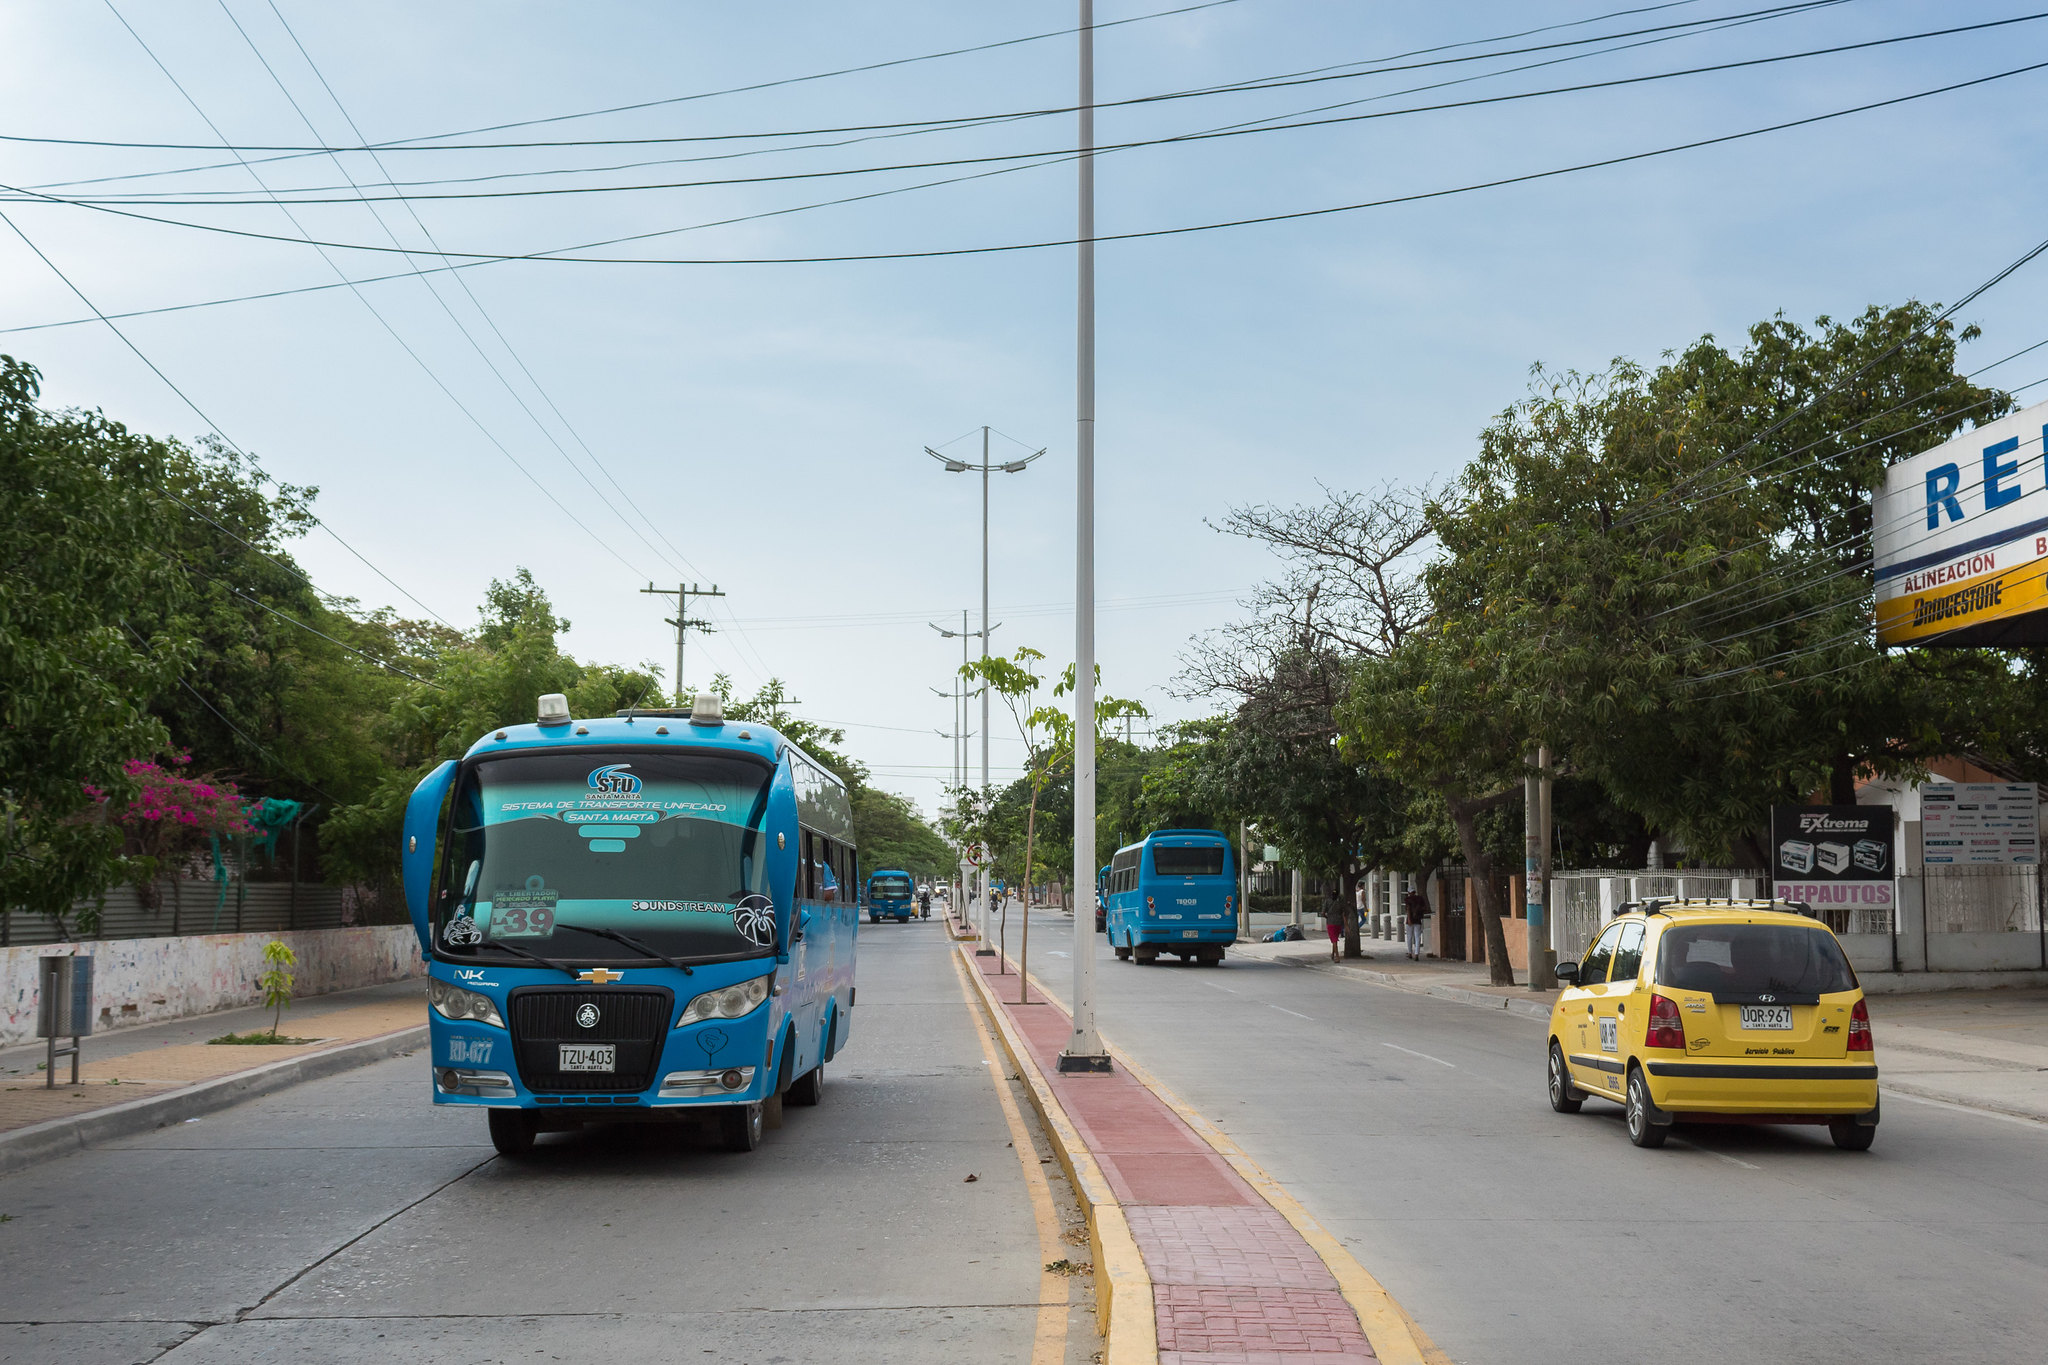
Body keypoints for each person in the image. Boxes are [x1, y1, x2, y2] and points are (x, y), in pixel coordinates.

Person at [1402, 884, 1431, 961]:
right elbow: (1425, 908)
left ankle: (1410, 953)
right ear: (1414, 891)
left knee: (1409, 937)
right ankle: (1417, 953)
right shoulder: (1420, 898)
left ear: (1408, 892)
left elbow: (1408, 909)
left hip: (1410, 920)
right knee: (1417, 937)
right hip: (1418, 919)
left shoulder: (1407, 899)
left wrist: (1409, 919)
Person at [1321, 888, 1345, 961]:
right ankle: (1332, 954)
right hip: (1338, 922)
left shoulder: (1327, 901)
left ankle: (1337, 956)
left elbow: (1323, 913)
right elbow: (1343, 913)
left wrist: (1327, 917)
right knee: (1335, 939)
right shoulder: (1340, 903)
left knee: (1333, 939)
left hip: (1330, 922)